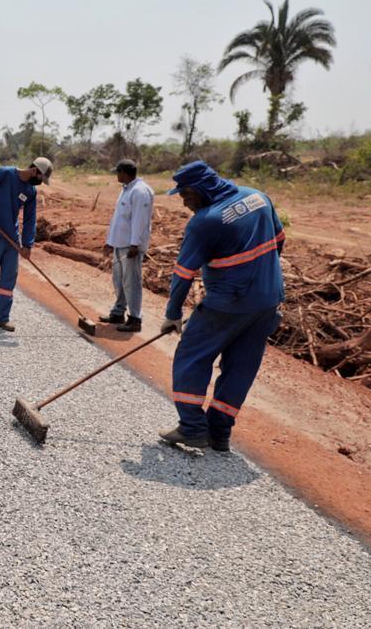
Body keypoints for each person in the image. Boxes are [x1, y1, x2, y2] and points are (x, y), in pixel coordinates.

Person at [158, 160, 285, 452]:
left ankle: (191, 428)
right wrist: (260, 274)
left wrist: (173, 314)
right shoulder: (258, 198)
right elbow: (279, 242)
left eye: (185, 195)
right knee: (241, 366)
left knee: (191, 356)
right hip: (267, 301)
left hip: (229, 302)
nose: (184, 203)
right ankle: (219, 433)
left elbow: (183, 274)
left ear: (200, 189)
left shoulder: (206, 221)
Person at [0, 157, 52, 331]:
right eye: (40, 178)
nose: (39, 182)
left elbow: (30, 219)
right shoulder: (5, 173)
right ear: (34, 170)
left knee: (9, 277)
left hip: (12, 239)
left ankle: (3, 318)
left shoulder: (31, 191)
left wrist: (27, 245)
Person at [100, 159, 154, 332]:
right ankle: (118, 312)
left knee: (132, 282)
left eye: (117, 172)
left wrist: (134, 244)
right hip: (119, 243)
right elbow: (118, 219)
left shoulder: (140, 191)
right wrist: (109, 241)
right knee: (119, 280)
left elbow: (140, 220)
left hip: (130, 247)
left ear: (124, 172)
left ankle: (135, 318)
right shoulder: (126, 189)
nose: (116, 175)